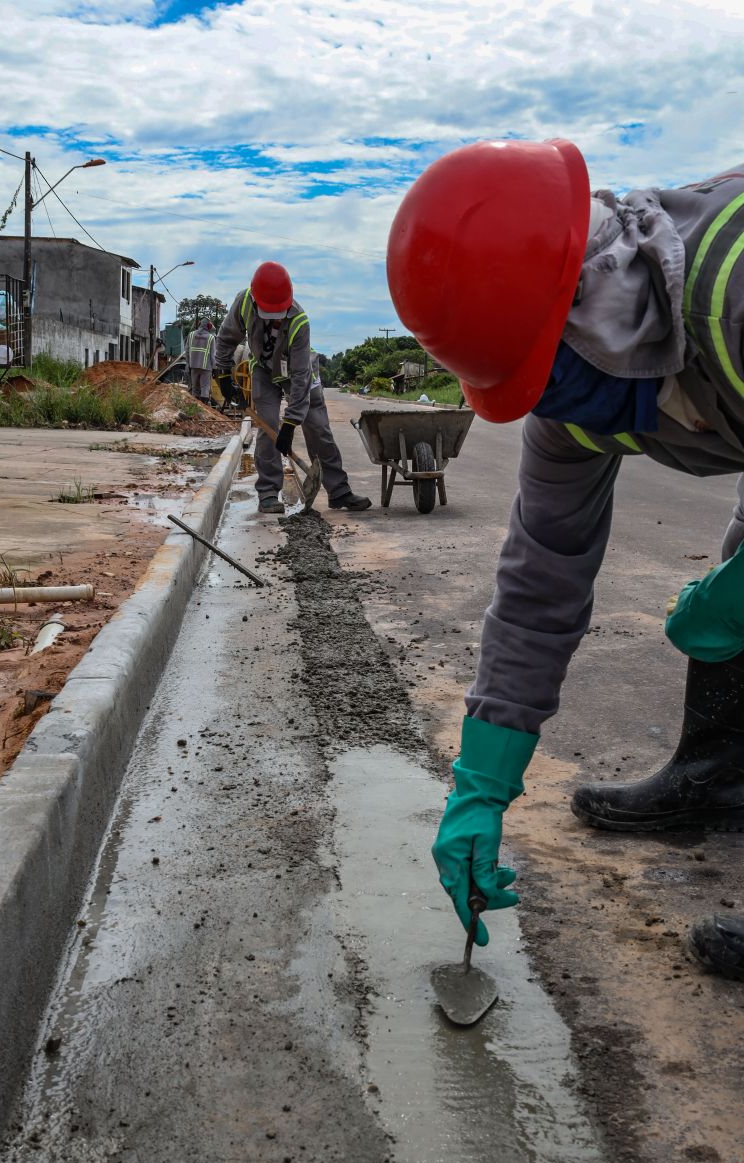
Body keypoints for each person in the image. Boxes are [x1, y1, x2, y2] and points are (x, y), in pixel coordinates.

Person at [386, 139, 744, 982]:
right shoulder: (573, 402)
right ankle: (721, 778)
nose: (547, 399)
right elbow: (539, 583)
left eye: (546, 362)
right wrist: (480, 786)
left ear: (595, 296)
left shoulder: (733, 291)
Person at [214, 261, 371, 515]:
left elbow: (300, 378)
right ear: (255, 299)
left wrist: (291, 423)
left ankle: (339, 491)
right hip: (264, 370)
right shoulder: (244, 302)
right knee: (267, 425)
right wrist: (222, 373)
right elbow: (226, 338)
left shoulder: (300, 321)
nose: (275, 319)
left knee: (318, 426)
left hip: (299, 368)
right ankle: (267, 493)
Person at [186, 317, 216, 405]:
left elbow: (187, 351)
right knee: (205, 388)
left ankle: (195, 408)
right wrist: (214, 368)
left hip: (193, 366)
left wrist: (188, 364)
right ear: (209, 326)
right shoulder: (211, 338)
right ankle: (204, 407)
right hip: (206, 367)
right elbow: (213, 355)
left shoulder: (191, 335)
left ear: (199, 324)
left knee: (194, 388)